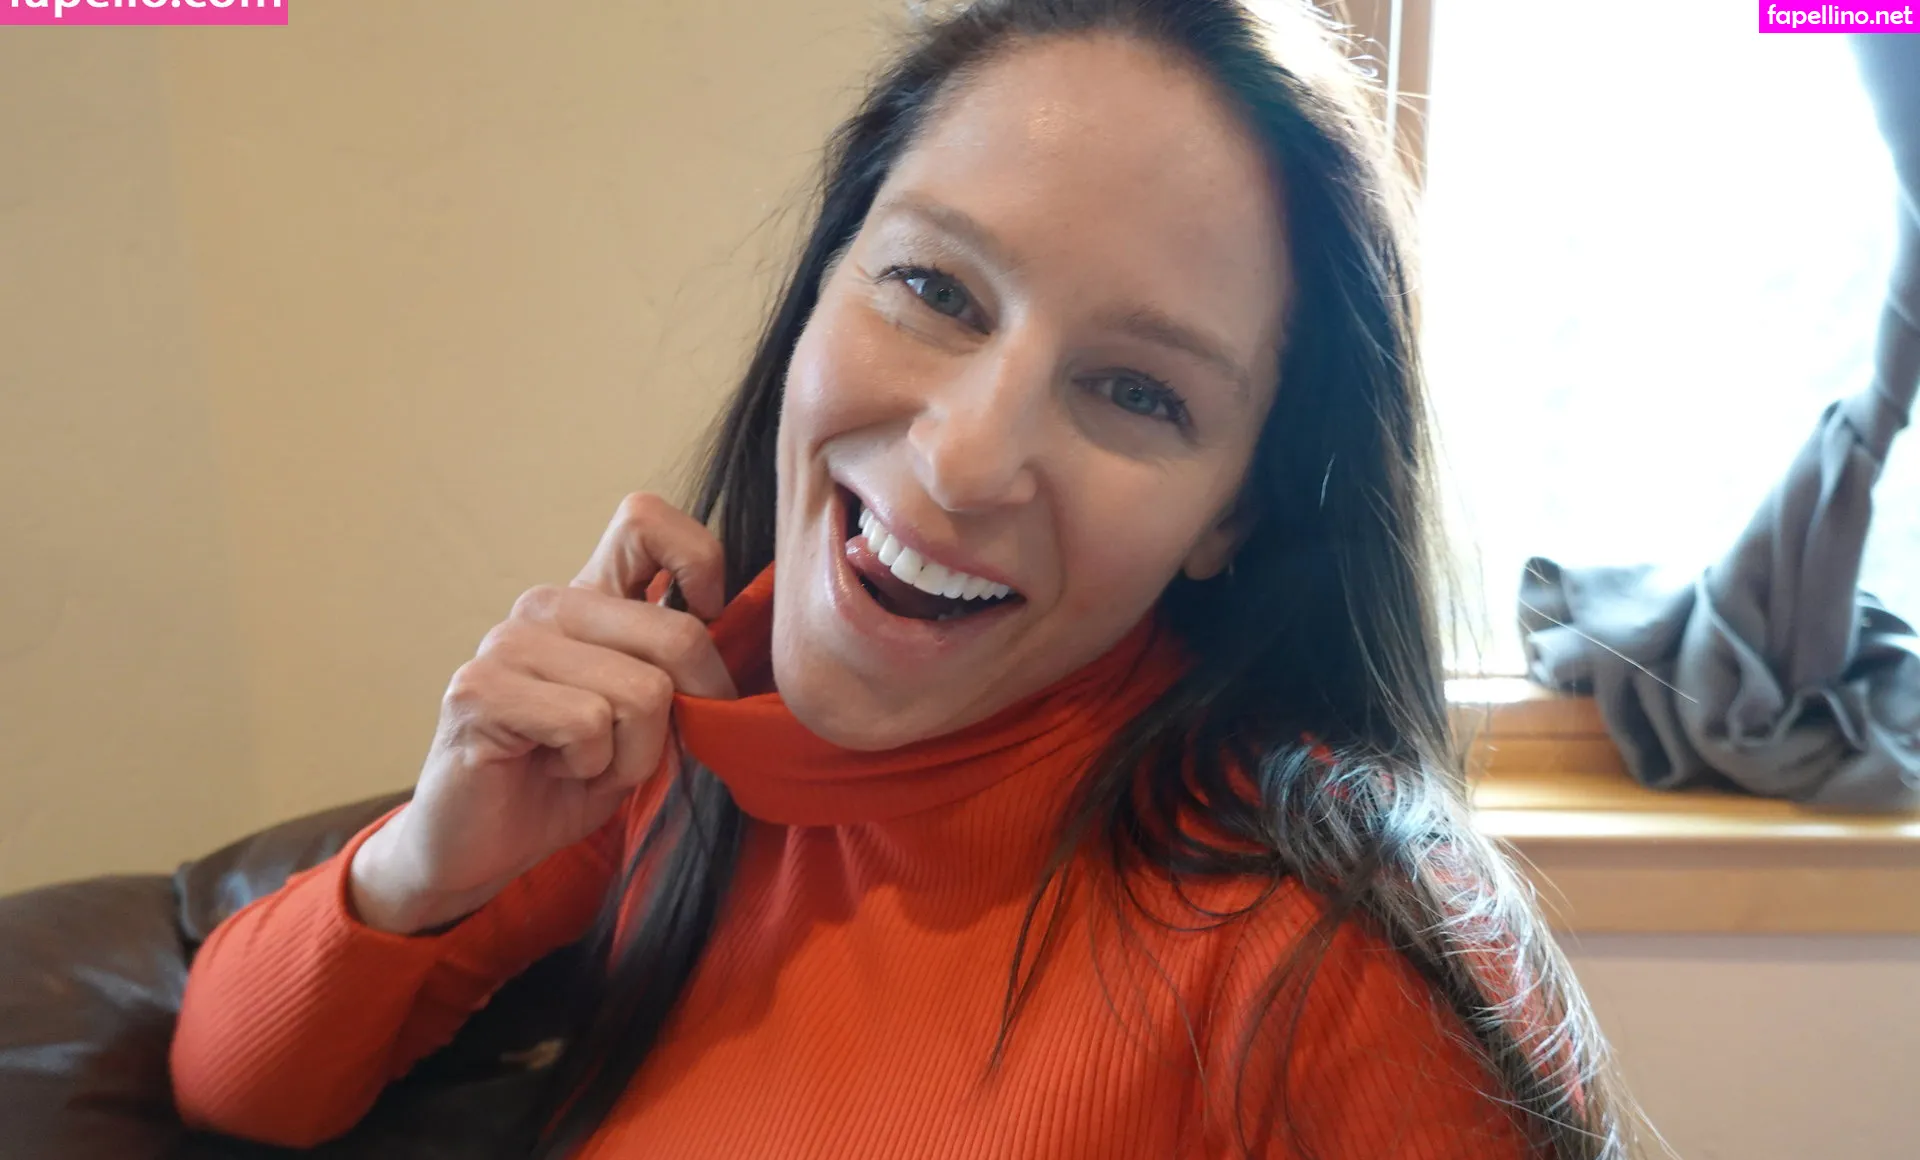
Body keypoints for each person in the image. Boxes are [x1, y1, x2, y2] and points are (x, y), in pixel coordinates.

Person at [169, 1, 1637, 1157]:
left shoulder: (1329, 966)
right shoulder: (683, 731)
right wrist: (429, 859)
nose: (964, 461)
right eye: (934, 289)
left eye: (1137, 392)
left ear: (1234, 514)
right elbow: (239, 1082)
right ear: (821, 284)